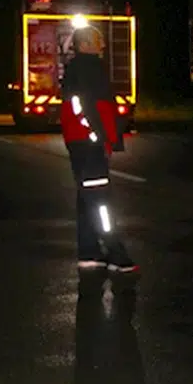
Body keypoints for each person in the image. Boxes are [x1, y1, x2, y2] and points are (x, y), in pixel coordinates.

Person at [60, 21, 138, 273]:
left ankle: (89, 251)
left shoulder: (79, 68)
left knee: (86, 198)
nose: (102, 44)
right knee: (100, 200)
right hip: (89, 144)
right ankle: (115, 253)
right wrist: (98, 136)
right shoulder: (88, 68)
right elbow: (82, 106)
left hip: (84, 141)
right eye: (97, 40)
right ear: (84, 45)